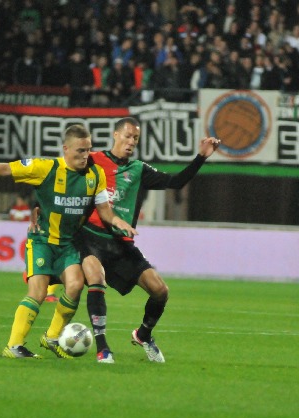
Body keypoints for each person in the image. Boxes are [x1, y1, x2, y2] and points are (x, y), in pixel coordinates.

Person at [0, 124, 137, 359]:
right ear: (65, 149)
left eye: (88, 150)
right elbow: (6, 169)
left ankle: (51, 336)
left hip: (69, 244)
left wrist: (117, 221)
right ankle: (14, 345)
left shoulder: (95, 175)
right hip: (42, 240)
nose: (85, 156)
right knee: (38, 292)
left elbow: (104, 211)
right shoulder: (45, 168)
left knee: (76, 285)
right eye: (80, 150)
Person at [74, 117, 220, 364]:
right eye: (128, 136)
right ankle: (102, 348)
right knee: (95, 279)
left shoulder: (139, 170)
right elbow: (64, 178)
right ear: (115, 135)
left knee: (160, 290)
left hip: (121, 245)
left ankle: (143, 334)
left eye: (136, 139)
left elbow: (177, 182)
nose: (131, 142)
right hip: (90, 237)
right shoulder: (93, 160)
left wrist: (201, 157)